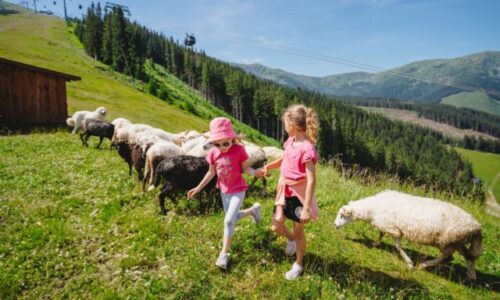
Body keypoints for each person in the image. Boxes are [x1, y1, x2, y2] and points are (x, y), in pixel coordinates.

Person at [187, 117, 262, 270]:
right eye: (217, 144)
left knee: (228, 222)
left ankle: (224, 255)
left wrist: (255, 172)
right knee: (232, 219)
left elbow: (245, 168)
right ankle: (253, 210)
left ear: (232, 139)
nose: (222, 147)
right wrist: (198, 188)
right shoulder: (213, 153)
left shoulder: (239, 150)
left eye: (226, 143)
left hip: (238, 190)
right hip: (224, 190)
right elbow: (211, 173)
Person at [259, 104, 319, 280]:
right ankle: (291, 239)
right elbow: (285, 158)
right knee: (276, 225)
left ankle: (299, 263)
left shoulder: (307, 148)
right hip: (283, 190)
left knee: (299, 231)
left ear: (292, 124)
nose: (284, 126)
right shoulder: (290, 142)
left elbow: (312, 179)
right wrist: (268, 166)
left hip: (298, 196)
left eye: (285, 122)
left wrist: (306, 207)